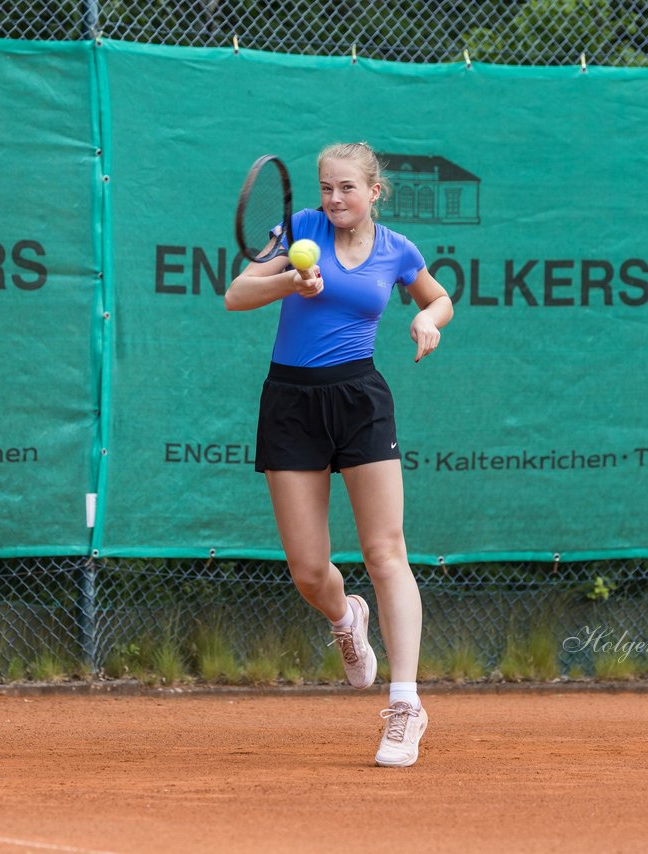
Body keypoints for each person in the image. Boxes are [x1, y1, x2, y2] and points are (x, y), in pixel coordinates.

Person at [225, 142, 453, 767]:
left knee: (386, 551)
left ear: (374, 191)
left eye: (347, 188)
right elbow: (236, 294)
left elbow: (440, 297)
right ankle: (345, 617)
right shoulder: (299, 231)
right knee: (307, 570)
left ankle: (405, 705)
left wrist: (429, 319)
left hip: (360, 398)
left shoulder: (397, 250)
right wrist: (288, 284)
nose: (334, 199)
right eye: (326, 188)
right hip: (290, 402)